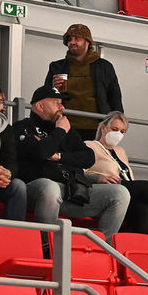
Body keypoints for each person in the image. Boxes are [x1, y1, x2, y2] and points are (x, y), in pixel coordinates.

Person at [16, 85, 130, 239]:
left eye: (61, 102)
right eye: (56, 102)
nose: (61, 106)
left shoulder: (65, 128)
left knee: (120, 193)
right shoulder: (23, 127)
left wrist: (59, 156)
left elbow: (89, 157)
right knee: (50, 187)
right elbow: (41, 152)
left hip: (71, 191)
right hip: (36, 191)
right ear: (40, 106)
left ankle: (102, 248)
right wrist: (60, 131)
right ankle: (46, 246)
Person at [86, 111, 148, 238]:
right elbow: (81, 173)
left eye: (122, 131)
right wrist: (99, 178)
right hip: (108, 190)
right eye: (115, 129)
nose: (118, 134)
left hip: (126, 192)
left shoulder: (120, 151)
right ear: (104, 128)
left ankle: (135, 248)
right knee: (146, 186)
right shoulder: (90, 145)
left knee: (144, 210)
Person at [44, 23, 123, 138]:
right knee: (64, 156)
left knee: (92, 156)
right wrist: (53, 88)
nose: (72, 42)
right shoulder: (57, 66)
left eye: (77, 38)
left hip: (97, 127)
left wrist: (118, 122)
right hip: (65, 125)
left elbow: (114, 95)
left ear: (88, 42)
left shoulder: (104, 67)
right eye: (69, 39)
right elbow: (45, 96)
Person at [0, 84, 23, 221]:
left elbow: (12, 162)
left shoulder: (6, 129)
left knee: (18, 186)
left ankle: (15, 236)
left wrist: (6, 174)